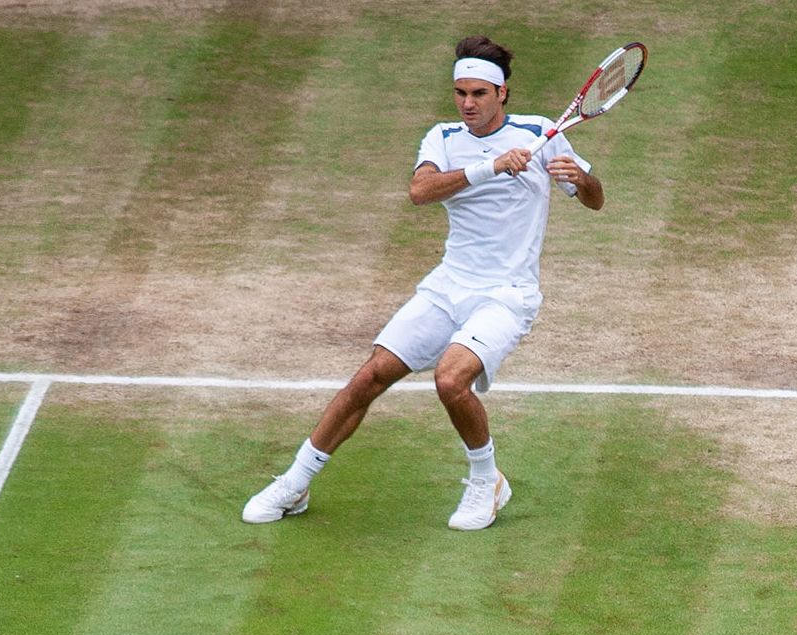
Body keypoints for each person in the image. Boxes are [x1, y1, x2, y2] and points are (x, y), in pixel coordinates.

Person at [243, 34, 602, 531]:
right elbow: (420, 191)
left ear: (502, 95)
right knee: (370, 376)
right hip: (447, 286)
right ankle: (295, 483)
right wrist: (490, 166)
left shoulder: (541, 132)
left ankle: (487, 481)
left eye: (479, 93)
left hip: (507, 295)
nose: (468, 103)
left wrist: (581, 181)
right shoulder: (443, 138)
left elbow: (594, 198)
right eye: (461, 94)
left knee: (451, 379)